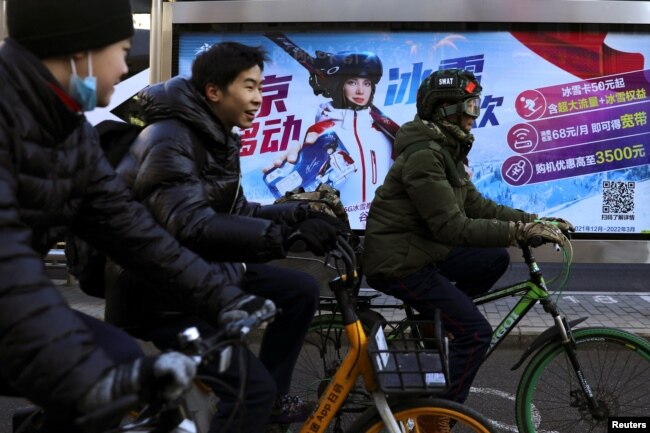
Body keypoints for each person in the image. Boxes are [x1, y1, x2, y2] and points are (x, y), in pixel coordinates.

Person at [0, 0, 273, 431]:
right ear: (81, 51)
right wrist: (87, 377)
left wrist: (224, 300)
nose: (125, 67)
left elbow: (130, 228)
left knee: (111, 369)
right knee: (106, 368)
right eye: (123, 50)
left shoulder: (66, 128)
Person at [104, 42, 341, 431]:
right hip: (159, 295)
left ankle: (274, 401)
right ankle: (260, 401)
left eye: (261, 88)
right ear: (214, 91)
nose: (258, 99)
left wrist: (298, 214)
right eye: (249, 87)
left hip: (200, 276)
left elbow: (237, 212)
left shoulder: (217, 136)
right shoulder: (170, 138)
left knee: (299, 290)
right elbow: (189, 223)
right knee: (251, 391)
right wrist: (279, 239)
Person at [362, 69, 573, 428]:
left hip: (421, 250)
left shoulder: (445, 151)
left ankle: (439, 322)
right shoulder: (425, 155)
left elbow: (478, 207)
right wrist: (519, 231)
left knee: (491, 260)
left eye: (475, 106)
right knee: (476, 333)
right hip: (399, 262)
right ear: (444, 110)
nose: (474, 116)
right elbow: (452, 226)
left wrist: (537, 220)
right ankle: (437, 413)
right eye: (469, 106)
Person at [265, 50, 399, 228]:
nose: (360, 90)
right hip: (337, 231)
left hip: (384, 230)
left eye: (366, 83)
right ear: (339, 85)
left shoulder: (385, 132)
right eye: (352, 82)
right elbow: (307, 177)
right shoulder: (321, 131)